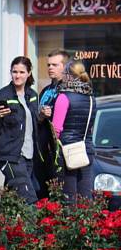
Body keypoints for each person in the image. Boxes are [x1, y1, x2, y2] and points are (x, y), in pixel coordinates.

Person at [0, 56, 39, 205]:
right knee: (28, 196)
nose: (18, 75)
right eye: (14, 72)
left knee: (10, 200)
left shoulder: (32, 96)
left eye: (21, 72)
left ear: (29, 73)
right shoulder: (2, 96)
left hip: (28, 154)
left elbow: (34, 124)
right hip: (10, 156)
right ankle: (37, 228)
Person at [52, 60, 96, 202]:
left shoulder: (63, 97)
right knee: (85, 196)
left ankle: (69, 223)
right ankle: (87, 223)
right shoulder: (91, 98)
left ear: (70, 76)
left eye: (64, 73)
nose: (62, 76)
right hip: (86, 150)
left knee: (68, 196)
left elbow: (56, 129)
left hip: (68, 151)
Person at [36, 49, 70, 198]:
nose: (50, 68)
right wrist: (41, 115)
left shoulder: (68, 91)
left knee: (58, 192)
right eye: (49, 64)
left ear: (65, 66)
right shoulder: (45, 91)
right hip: (44, 149)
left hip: (60, 150)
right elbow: (37, 118)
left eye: (55, 65)